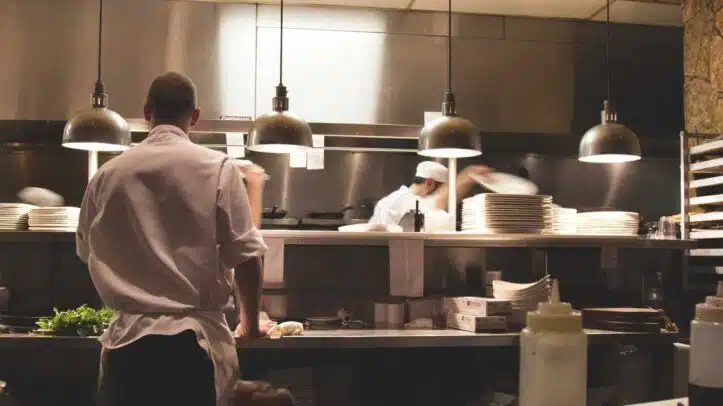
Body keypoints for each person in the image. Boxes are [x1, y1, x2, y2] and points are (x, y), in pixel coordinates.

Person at [76, 71, 267, 406]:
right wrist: (249, 325)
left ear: (146, 111)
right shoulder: (218, 168)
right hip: (192, 349)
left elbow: (85, 251)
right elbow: (248, 256)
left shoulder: (107, 174)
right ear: (195, 115)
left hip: (127, 349)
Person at [369, 161, 491, 225]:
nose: (442, 192)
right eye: (442, 188)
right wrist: (467, 175)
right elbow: (438, 201)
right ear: (429, 182)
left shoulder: (409, 199)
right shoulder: (398, 201)